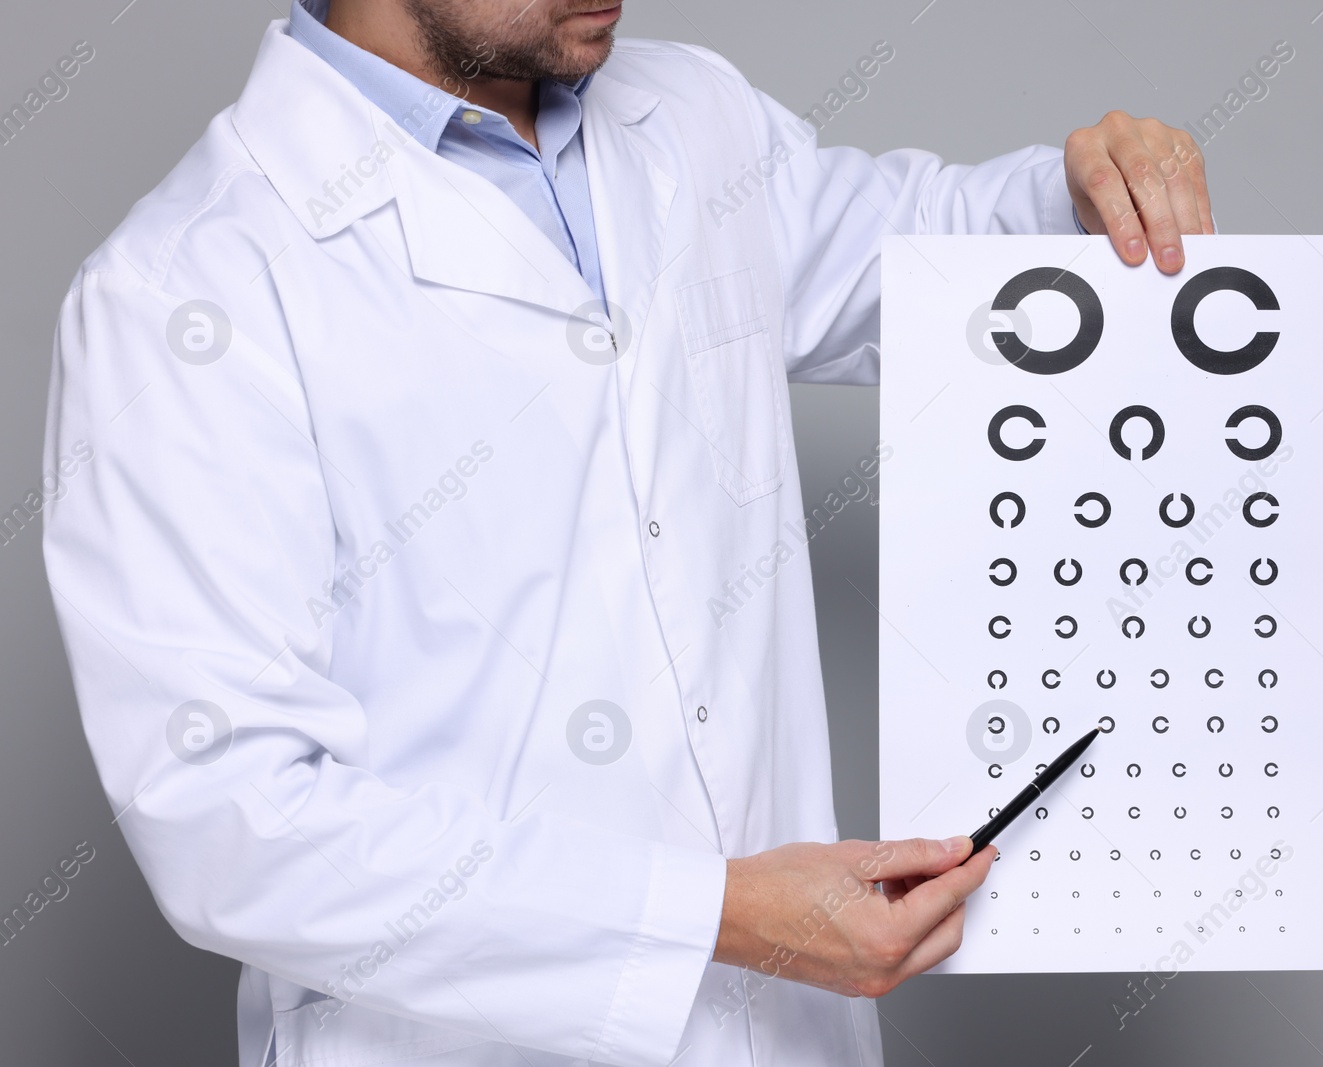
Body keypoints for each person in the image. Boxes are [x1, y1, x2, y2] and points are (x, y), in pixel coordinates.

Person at [41, 1, 1211, 1064]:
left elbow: (930, 267)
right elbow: (233, 822)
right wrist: (716, 915)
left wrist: (1086, 197)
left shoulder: (688, 118)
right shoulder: (184, 291)